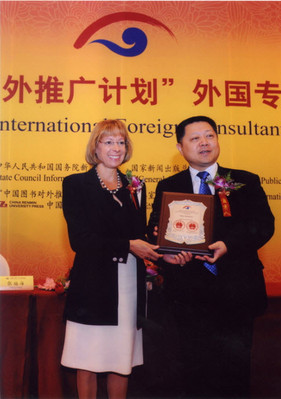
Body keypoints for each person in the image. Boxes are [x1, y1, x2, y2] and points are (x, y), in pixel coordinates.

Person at [147, 116, 275, 398]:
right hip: (188, 294)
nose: (204, 143)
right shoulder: (168, 185)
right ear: (180, 148)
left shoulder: (244, 181)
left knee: (235, 370)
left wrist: (228, 244)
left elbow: (264, 226)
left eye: (209, 136)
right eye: (195, 138)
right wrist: (165, 250)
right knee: (193, 370)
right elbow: (154, 231)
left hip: (236, 291)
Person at [61, 119, 166, 399]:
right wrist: (130, 244)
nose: (116, 148)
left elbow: (140, 235)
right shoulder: (76, 184)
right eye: (108, 141)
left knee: (122, 360)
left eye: (121, 142)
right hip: (94, 283)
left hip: (129, 283)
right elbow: (80, 241)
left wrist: (161, 237)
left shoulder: (136, 185)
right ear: (95, 147)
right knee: (88, 360)